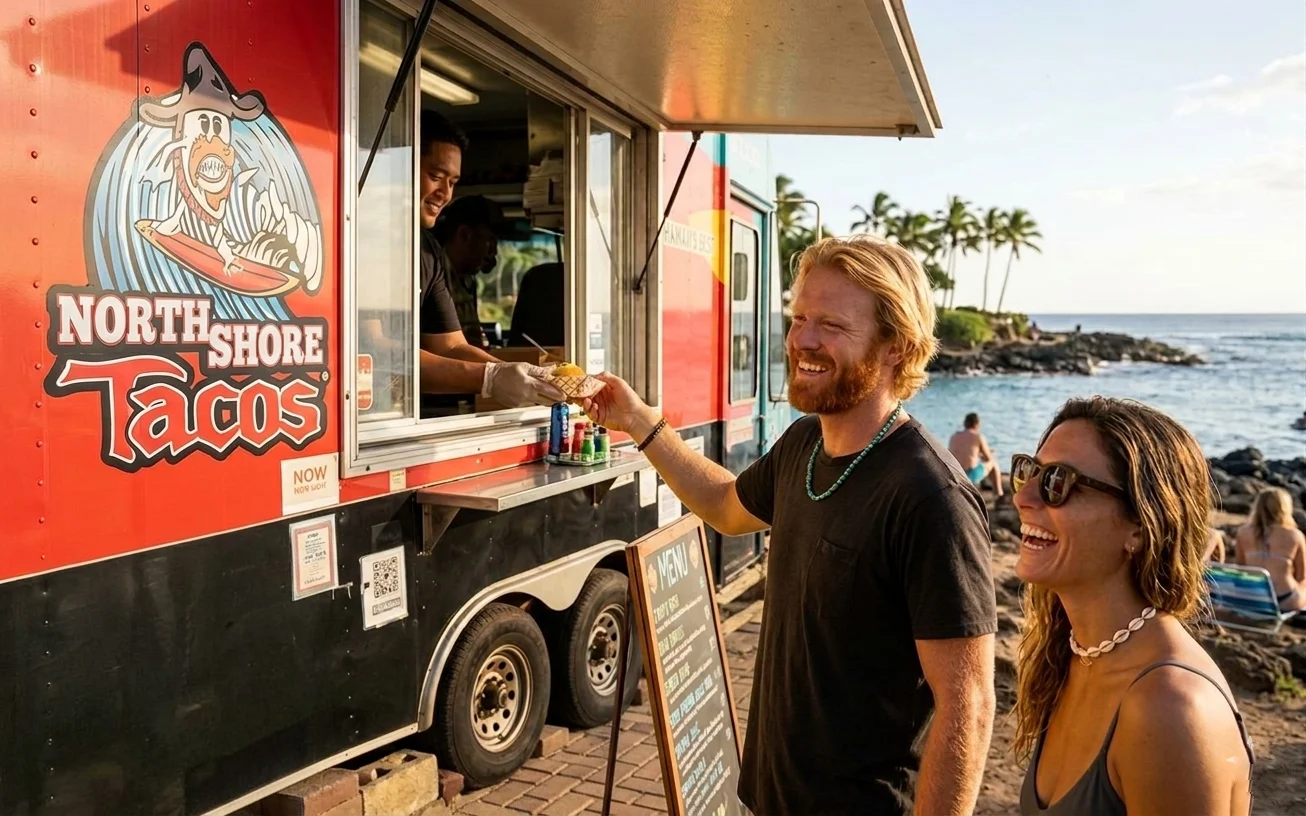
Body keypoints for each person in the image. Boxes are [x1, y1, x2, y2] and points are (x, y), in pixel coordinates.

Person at [583, 235, 997, 815]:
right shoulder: (806, 441)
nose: (801, 339)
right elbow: (727, 506)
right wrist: (639, 421)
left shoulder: (930, 497)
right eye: (799, 317)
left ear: (895, 347)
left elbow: (968, 706)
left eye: (831, 324)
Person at [1011, 397, 1254, 816]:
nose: (1024, 498)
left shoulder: (1170, 708)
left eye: (1058, 481)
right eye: (1029, 472)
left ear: (1141, 527)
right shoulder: (1070, 656)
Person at [362, 109, 562, 412]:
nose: (445, 193)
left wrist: (513, 371)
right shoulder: (363, 241)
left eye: (453, 181)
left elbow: (452, 345)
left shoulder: (427, 250)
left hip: (404, 411)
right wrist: (488, 377)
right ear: (399, 169)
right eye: (435, 176)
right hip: (361, 417)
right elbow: (374, 350)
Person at [432, 194, 509, 350]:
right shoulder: (432, 277)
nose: (494, 252)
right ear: (464, 235)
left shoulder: (467, 282)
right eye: (490, 241)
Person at [1234, 488, 1305, 611]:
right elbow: (1301, 576)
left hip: (1251, 597)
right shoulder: (1295, 535)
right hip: (1284, 599)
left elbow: (1241, 568)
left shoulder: (1243, 532)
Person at [949, 412, 1003, 496]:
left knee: (979, 463)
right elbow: (987, 458)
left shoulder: (954, 436)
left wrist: (978, 453)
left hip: (956, 473)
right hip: (970, 476)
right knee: (993, 463)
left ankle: (984, 484)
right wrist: (986, 452)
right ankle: (999, 494)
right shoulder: (977, 436)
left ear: (965, 424)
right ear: (977, 424)